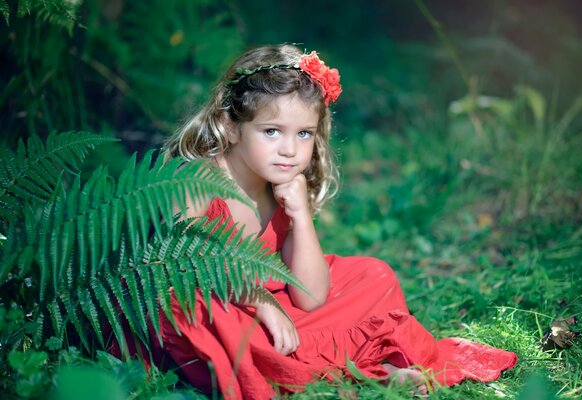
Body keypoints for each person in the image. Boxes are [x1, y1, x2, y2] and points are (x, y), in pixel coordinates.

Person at [159, 44, 517, 399]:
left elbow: (311, 298)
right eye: (272, 131)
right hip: (219, 305)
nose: (289, 149)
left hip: (278, 308)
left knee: (371, 276)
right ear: (231, 126)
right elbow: (179, 270)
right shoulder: (196, 181)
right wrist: (259, 302)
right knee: (199, 314)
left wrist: (300, 217)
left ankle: (365, 370)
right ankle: (352, 371)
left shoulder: (282, 188)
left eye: (304, 133)